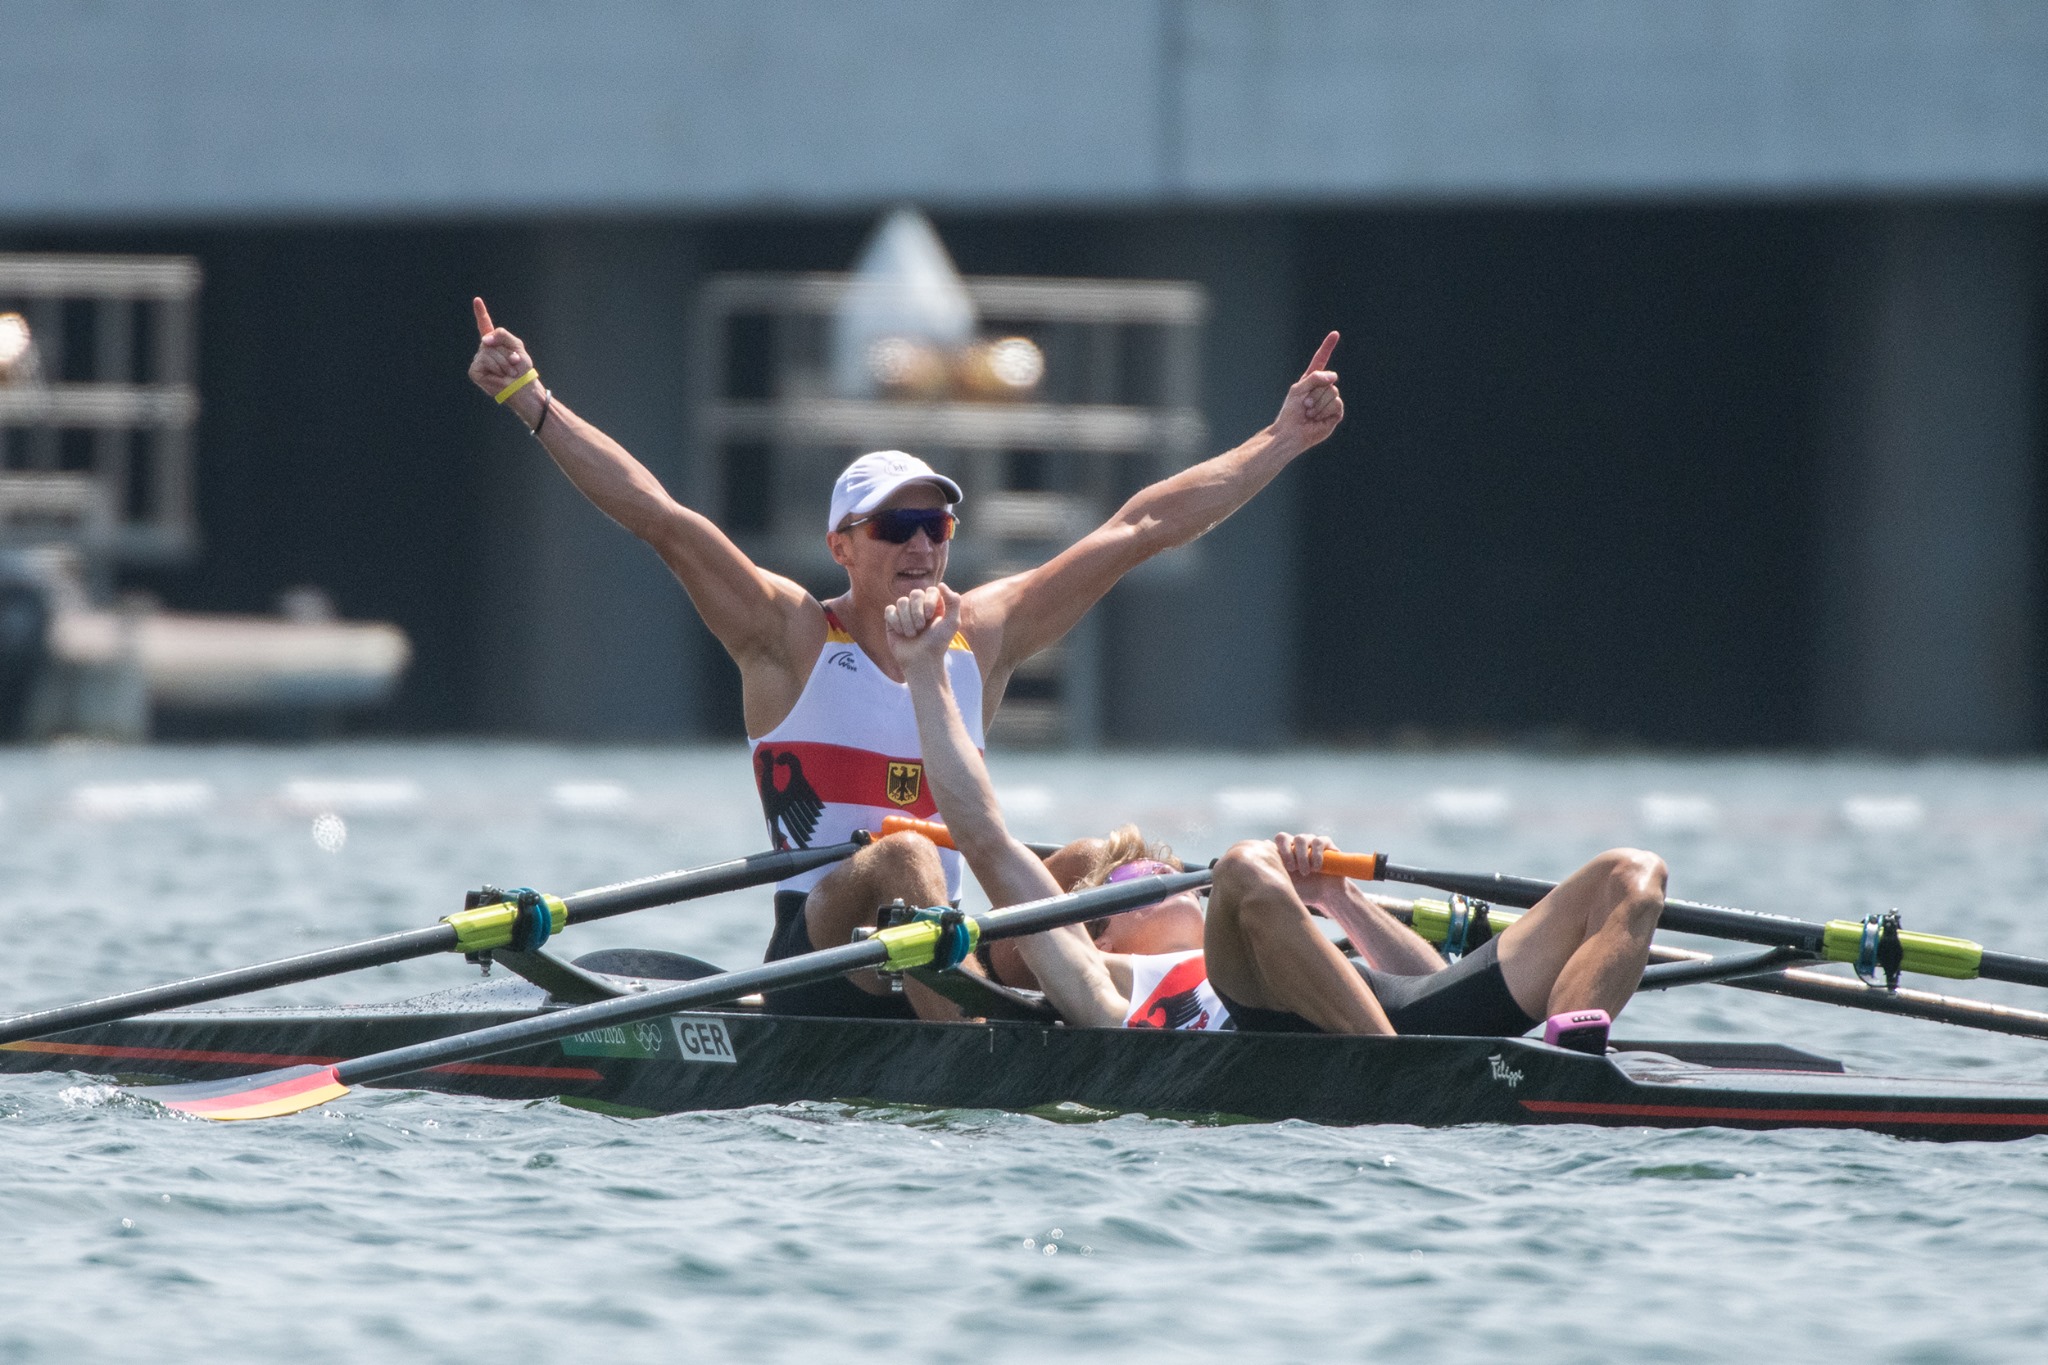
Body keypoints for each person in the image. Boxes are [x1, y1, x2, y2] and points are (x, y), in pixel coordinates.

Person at [467, 298, 1345, 1019]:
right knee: (906, 858)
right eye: (896, 526)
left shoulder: (983, 632)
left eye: (937, 525)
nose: (922, 545)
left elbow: (1137, 528)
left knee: (1091, 866)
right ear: (843, 545)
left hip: (941, 945)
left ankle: (1182, 1011)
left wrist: (1280, 441)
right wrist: (533, 402)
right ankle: (975, 1051)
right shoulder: (790, 636)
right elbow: (659, 517)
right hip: (820, 960)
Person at [881, 583, 1232, 1032]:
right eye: (1139, 878)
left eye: (1165, 871)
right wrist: (926, 670)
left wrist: (1325, 892)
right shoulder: (1100, 985)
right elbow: (986, 841)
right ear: (1101, 943)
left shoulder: (1252, 970)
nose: (1170, 873)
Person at [1203, 833, 1667, 1037]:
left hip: (1393, 1018)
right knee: (1242, 861)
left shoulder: (1269, 916)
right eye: (1133, 878)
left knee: (1633, 870)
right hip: (1273, 1006)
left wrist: (1337, 896)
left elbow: (1430, 983)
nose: (1176, 893)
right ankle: (1390, 1068)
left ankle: (1568, 1066)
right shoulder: (1129, 972)